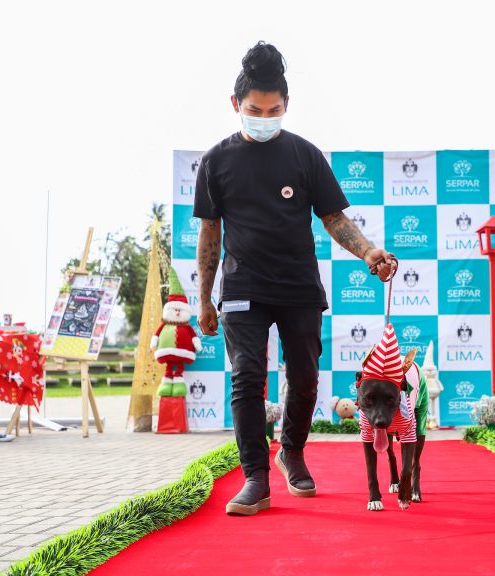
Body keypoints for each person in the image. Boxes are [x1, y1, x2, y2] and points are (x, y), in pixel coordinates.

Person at [194, 41, 393, 516]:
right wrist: (204, 298)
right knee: (247, 376)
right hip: (242, 287)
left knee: (304, 379)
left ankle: (292, 452)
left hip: (298, 285)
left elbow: (334, 218)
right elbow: (209, 232)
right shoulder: (216, 161)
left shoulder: (304, 155)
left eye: (274, 109)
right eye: (254, 109)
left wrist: (369, 252)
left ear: (286, 106)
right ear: (235, 106)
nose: (264, 116)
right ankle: (255, 479)